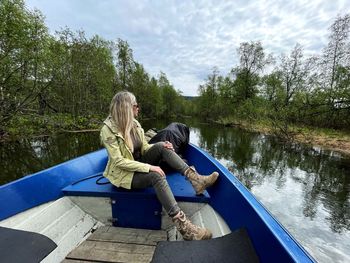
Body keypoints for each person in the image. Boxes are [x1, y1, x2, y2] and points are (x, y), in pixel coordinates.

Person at [100, 91, 219, 240]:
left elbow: (144, 148)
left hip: (138, 165)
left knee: (163, 146)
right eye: (136, 105)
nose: (138, 108)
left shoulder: (135, 124)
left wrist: (161, 145)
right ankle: (185, 228)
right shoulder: (108, 130)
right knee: (157, 175)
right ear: (126, 108)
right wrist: (149, 168)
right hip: (124, 175)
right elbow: (119, 161)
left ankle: (196, 180)